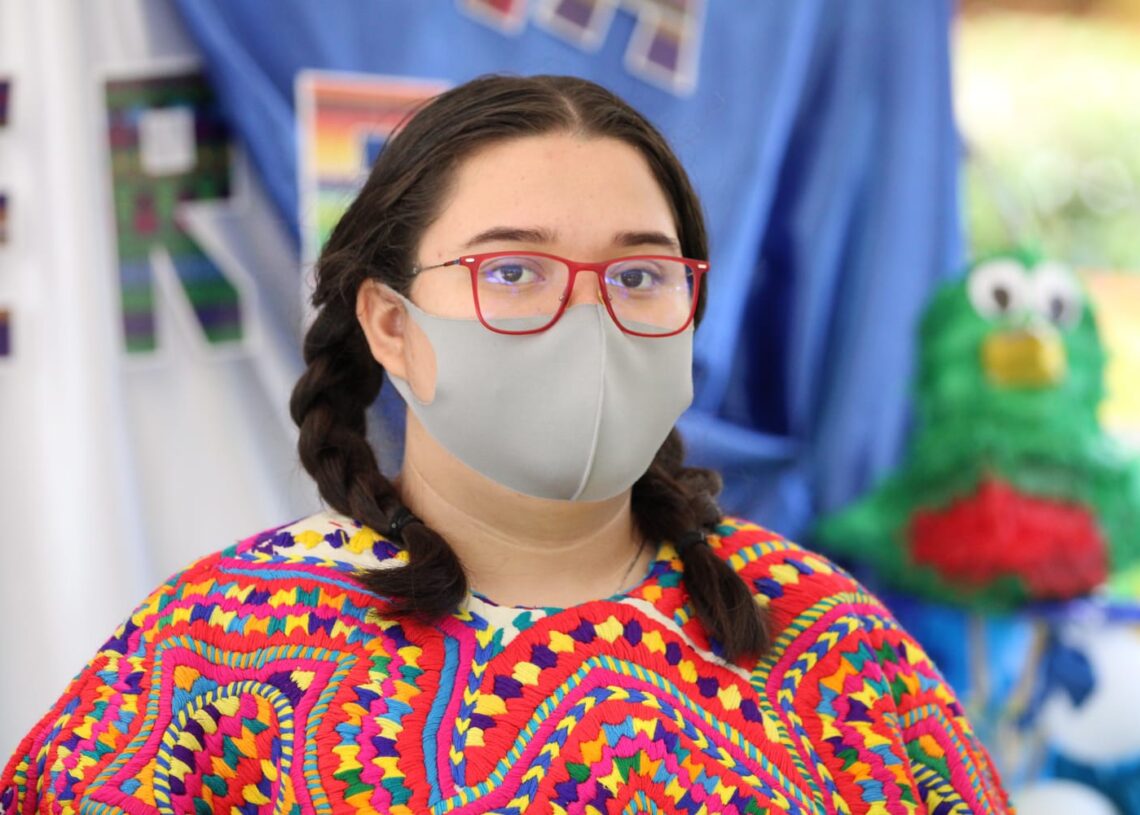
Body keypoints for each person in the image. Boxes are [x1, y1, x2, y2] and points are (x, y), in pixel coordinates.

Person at [0, 74, 1010, 814]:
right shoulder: (219, 648)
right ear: (391, 325)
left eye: (640, 275)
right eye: (515, 272)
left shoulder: (823, 636)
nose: (590, 316)